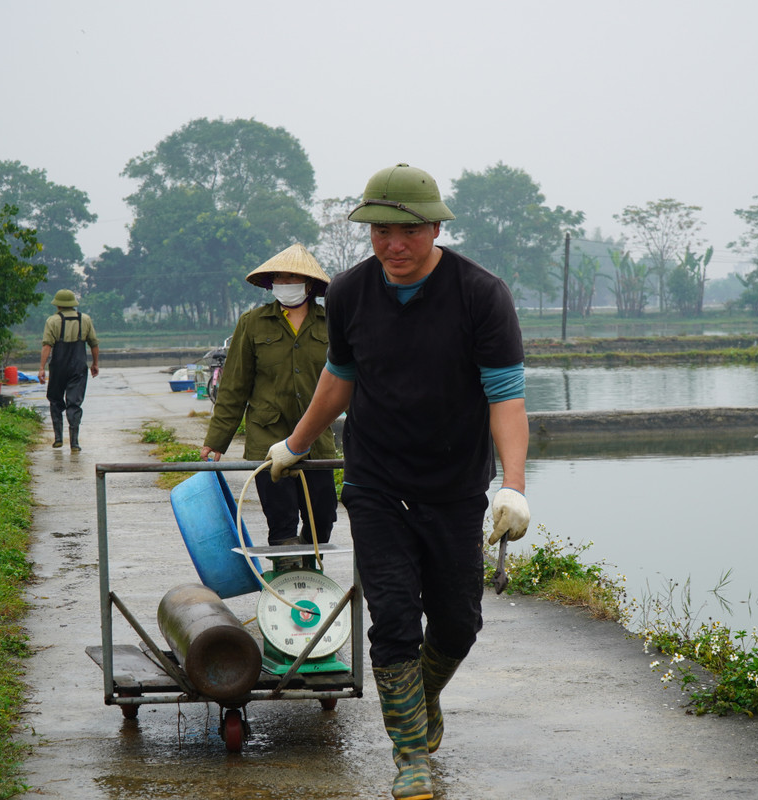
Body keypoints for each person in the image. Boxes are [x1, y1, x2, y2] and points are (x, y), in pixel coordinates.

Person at [265, 164, 531, 800]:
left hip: (455, 485)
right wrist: (296, 445)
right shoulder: (352, 293)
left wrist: (514, 486)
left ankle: (418, 702)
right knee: (391, 620)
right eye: (380, 232)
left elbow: (506, 397)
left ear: (435, 227)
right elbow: (339, 377)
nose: (393, 246)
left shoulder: (480, 295)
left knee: (459, 624)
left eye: (407, 232)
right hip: (377, 481)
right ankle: (409, 753)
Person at [200, 244, 338, 550]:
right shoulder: (253, 323)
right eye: (280, 278)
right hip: (268, 438)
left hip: (317, 440)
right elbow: (234, 386)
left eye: (293, 277)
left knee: (324, 518)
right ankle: (289, 584)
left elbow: (348, 380)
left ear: (310, 284)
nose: (286, 284)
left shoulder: (331, 322)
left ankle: (307, 563)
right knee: (281, 522)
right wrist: (217, 439)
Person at [38, 289, 99, 452]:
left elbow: (47, 346)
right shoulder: (85, 319)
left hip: (58, 367)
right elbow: (94, 343)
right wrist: (95, 364)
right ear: (73, 304)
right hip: (79, 367)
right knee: (74, 403)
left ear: (58, 305)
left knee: (56, 400)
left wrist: (41, 368)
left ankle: (58, 438)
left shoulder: (52, 321)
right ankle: (74, 442)